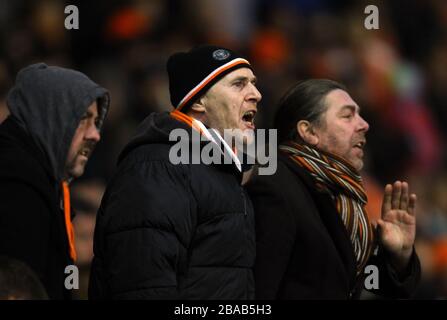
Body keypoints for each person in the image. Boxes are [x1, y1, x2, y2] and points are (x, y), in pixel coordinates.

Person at [89, 45, 262, 299]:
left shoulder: (216, 169)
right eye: (239, 84)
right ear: (199, 101)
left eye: (254, 83)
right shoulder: (157, 166)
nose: (256, 94)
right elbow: (143, 286)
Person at [246, 79, 421, 299]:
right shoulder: (276, 186)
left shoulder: (341, 195)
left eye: (359, 114)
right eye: (347, 116)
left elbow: (366, 284)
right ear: (309, 131)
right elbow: (258, 291)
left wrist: (398, 257)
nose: (364, 124)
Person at [0, 63, 110, 299]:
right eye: (83, 119)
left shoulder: (40, 178)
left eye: (96, 121)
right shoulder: (16, 184)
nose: (95, 134)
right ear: (49, 116)